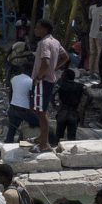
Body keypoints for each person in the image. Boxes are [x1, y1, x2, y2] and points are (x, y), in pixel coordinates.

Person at [31, 19, 69, 153]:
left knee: (41, 112)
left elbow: (45, 63)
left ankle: (45, 143)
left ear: (45, 29)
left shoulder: (44, 43)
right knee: (41, 110)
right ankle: (42, 137)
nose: (35, 29)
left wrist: (38, 77)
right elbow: (65, 56)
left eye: (37, 27)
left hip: (43, 81)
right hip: (49, 79)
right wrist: (55, 68)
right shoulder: (55, 41)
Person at [6, 62, 39, 143]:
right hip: (24, 110)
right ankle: (43, 140)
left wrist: (11, 105)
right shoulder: (31, 81)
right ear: (31, 70)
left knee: (12, 129)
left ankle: (8, 143)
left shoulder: (14, 79)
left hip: (13, 108)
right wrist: (33, 110)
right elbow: (32, 97)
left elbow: (10, 93)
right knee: (40, 124)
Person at [54, 68, 84, 143]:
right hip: (73, 113)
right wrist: (84, 105)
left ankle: (56, 149)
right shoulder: (80, 86)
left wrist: (54, 105)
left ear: (66, 76)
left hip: (62, 112)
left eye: (62, 75)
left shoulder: (60, 85)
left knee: (58, 136)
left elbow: (52, 94)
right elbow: (90, 95)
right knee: (71, 137)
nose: (61, 76)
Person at [88, 0, 102, 78]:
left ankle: (97, 71)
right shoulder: (91, 7)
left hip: (101, 35)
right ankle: (90, 71)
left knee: (100, 53)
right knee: (92, 52)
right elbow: (90, 19)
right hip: (91, 33)